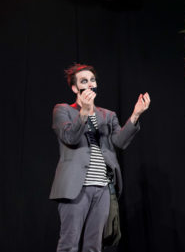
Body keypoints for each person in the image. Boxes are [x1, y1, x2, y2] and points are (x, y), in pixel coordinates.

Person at [50, 63, 150, 252]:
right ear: (74, 88)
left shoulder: (107, 115)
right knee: (69, 244)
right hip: (76, 188)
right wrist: (84, 112)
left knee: (94, 247)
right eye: (83, 81)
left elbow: (119, 142)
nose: (89, 84)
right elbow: (70, 137)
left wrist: (135, 115)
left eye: (92, 80)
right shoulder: (62, 110)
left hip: (103, 188)